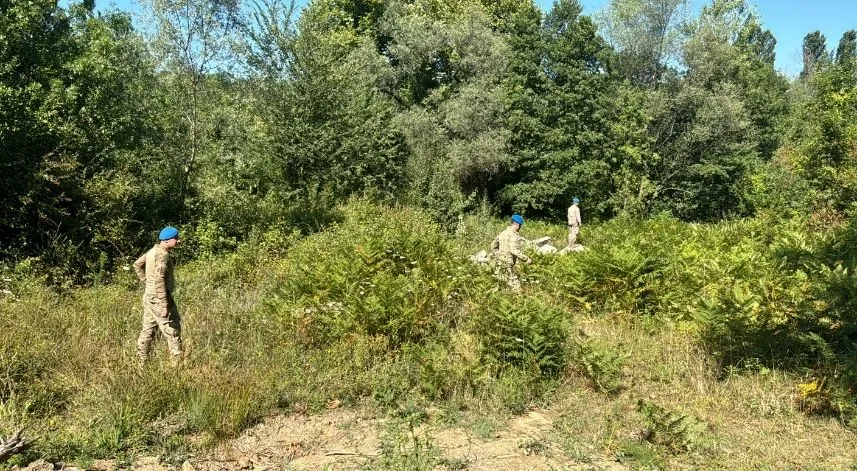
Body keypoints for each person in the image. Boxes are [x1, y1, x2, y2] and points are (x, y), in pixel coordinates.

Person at [134, 226, 182, 365]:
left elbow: (137, 265)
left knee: (148, 330)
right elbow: (159, 279)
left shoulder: (151, 251)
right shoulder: (162, 254)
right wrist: (163, 303)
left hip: (150, 296)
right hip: (159, 297)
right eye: (176, 238)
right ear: (167, 240)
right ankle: (177, 366)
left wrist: (146, 282)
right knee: (172, 329)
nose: (178, 241)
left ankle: (141, 364)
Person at [491, 214, 532, 291]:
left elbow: (493, 245)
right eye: (520, 226)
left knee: (499, 285)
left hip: (499, 262)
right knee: (517, 288)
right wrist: (526, 259)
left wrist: (497, 254)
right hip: (508, 264)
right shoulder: (513, 235)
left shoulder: (502, 233)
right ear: (517, 224)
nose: (520, 228)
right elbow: (513, 250)